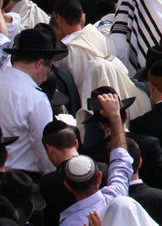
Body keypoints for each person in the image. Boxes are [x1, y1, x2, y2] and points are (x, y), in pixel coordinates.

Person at [0, 26, 69, 173]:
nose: (46, 77)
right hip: (24, 180)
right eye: (49, 68)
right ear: (38, 64)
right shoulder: (35, 98)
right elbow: (45, 151)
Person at [56, 92, 132, 226]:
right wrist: (115, 116)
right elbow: (121, 160)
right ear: (99, 177)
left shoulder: (70, 223)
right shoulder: (116, 196)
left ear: (67, 186)